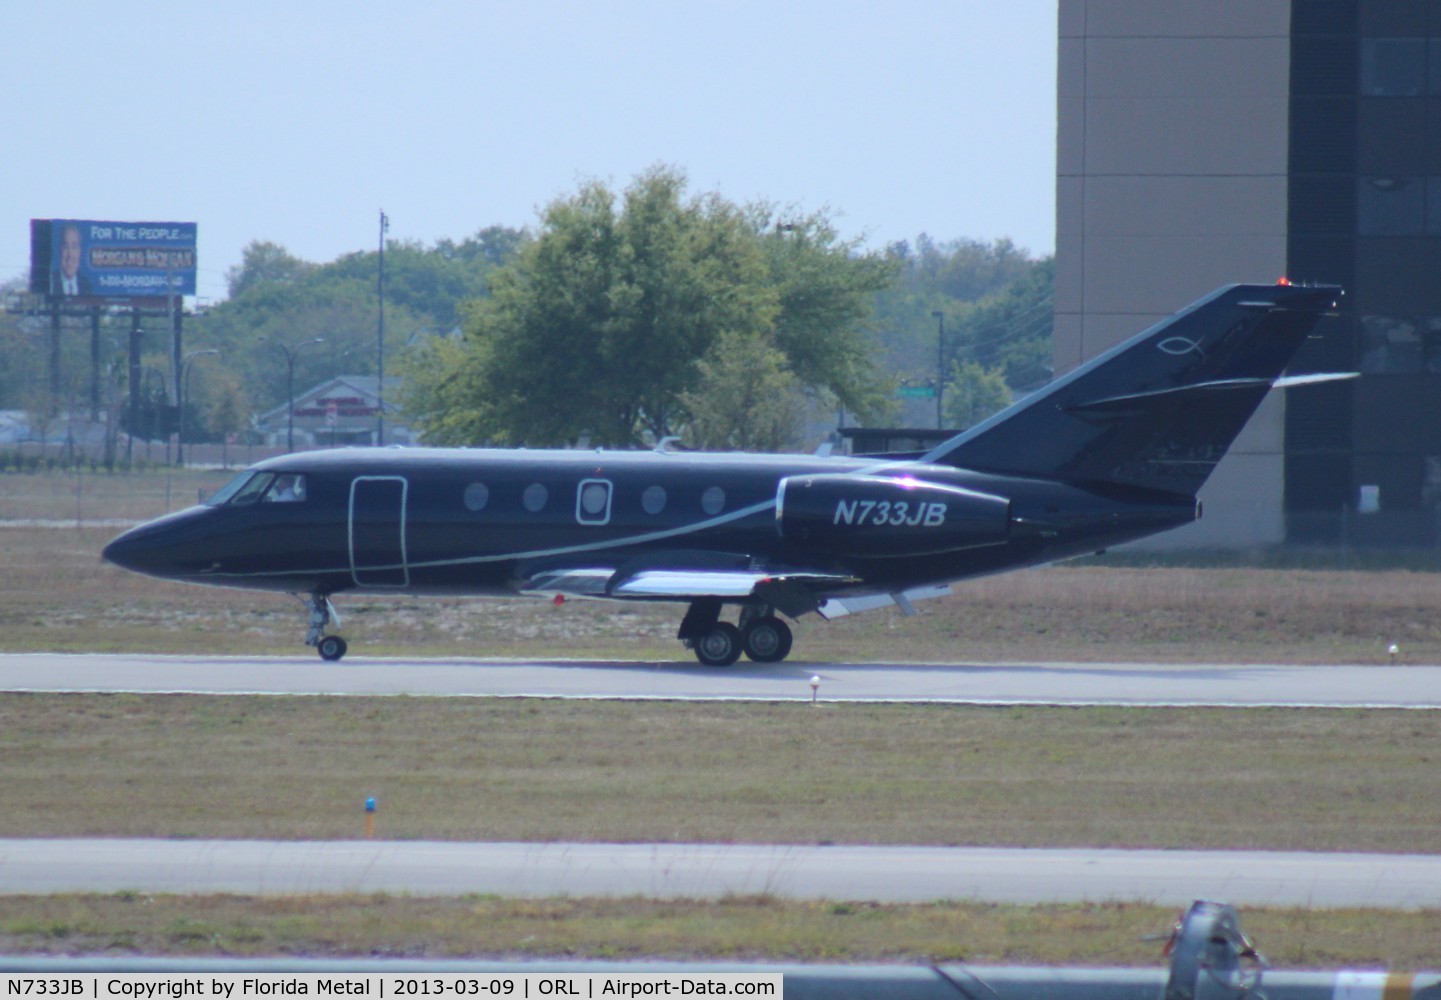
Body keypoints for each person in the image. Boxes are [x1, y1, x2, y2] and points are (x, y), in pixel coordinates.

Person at [50, 223, 91, 297]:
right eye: (66, 247)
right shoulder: (50, 282)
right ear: (60, 250)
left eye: (74, 247)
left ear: (80, 251)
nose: (70, 255)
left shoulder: (87, 285)